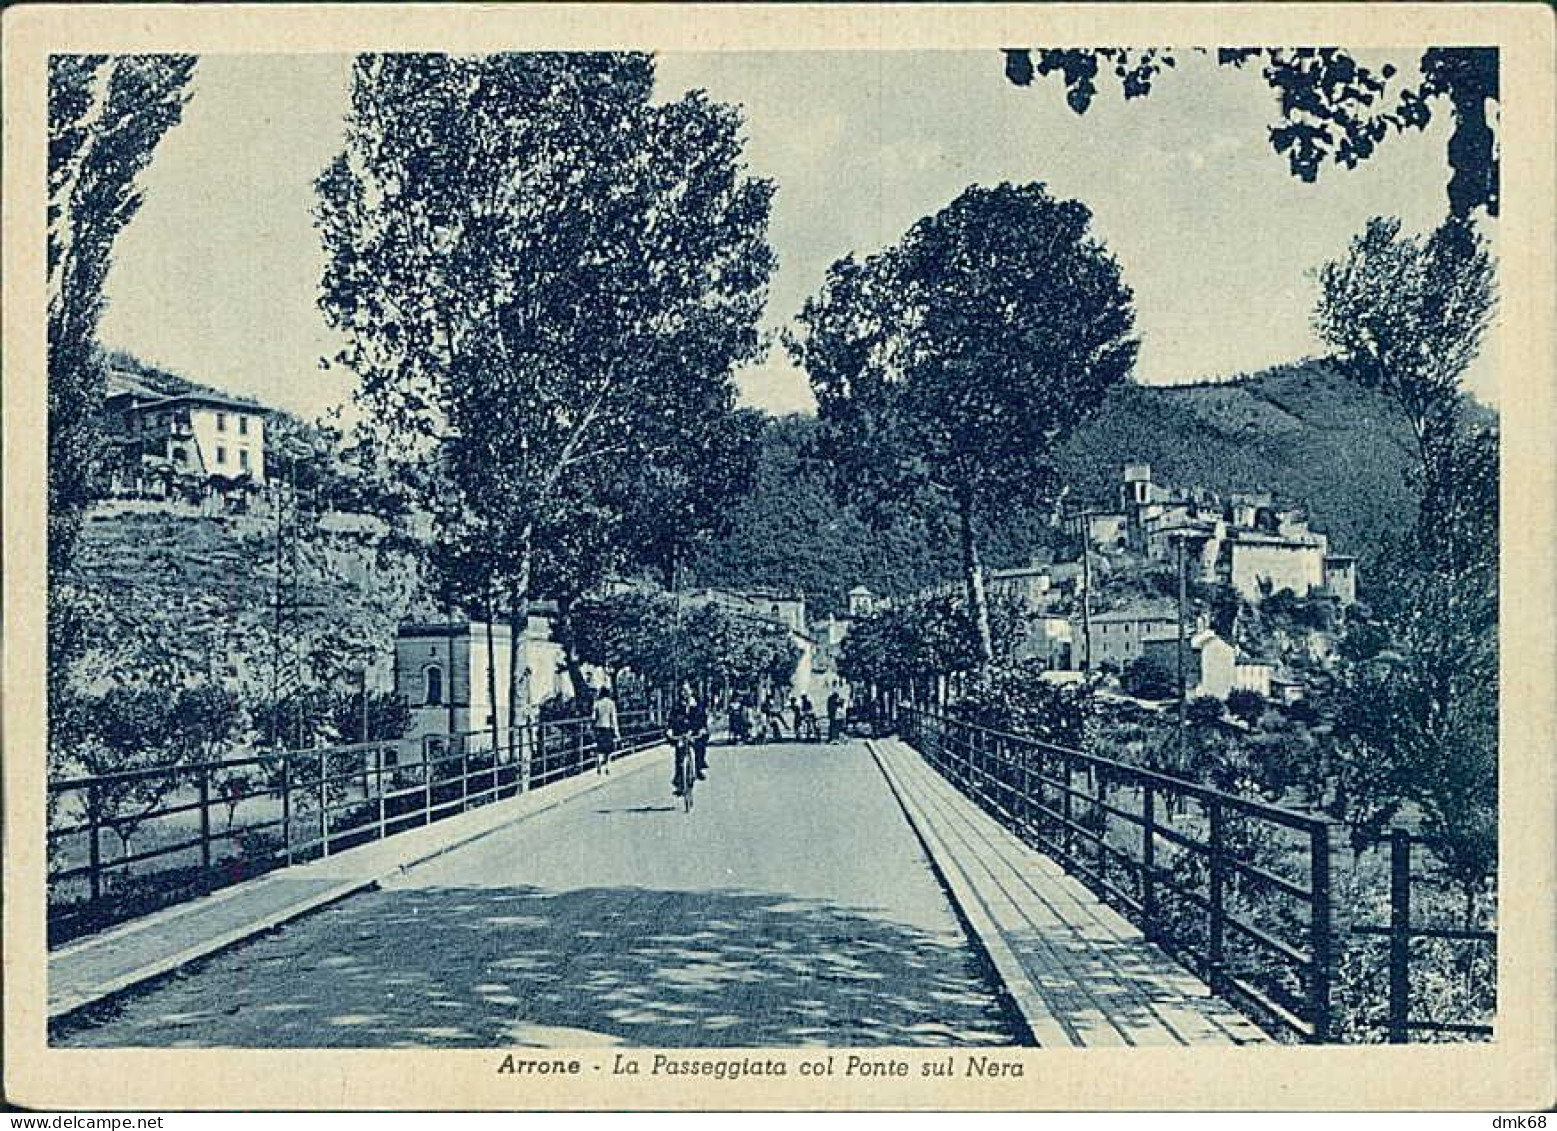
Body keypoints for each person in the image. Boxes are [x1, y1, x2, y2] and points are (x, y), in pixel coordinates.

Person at [667, 683, 708, 796]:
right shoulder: (677, 706)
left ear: (691, 691)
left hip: (695, 732)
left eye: (686, 690)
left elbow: (702, 719)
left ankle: (699, 767)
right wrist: (670, 730)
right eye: (682, 691)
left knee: (699, 747)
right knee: (679, 756)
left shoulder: (698, 705)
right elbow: (671, 719)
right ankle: (680, 782)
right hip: (681, 733)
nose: (684, 693)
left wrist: (702, 729)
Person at [591, 686, 619, 774]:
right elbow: (613, 718)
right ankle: (607, 767)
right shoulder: (611, 703)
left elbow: (593, 717)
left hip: (598, 727)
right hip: (607, 727)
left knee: (599, 747)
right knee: (608, 748)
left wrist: (593, 726)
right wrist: (616, 731)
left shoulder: (597, 703)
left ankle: (599, 764)